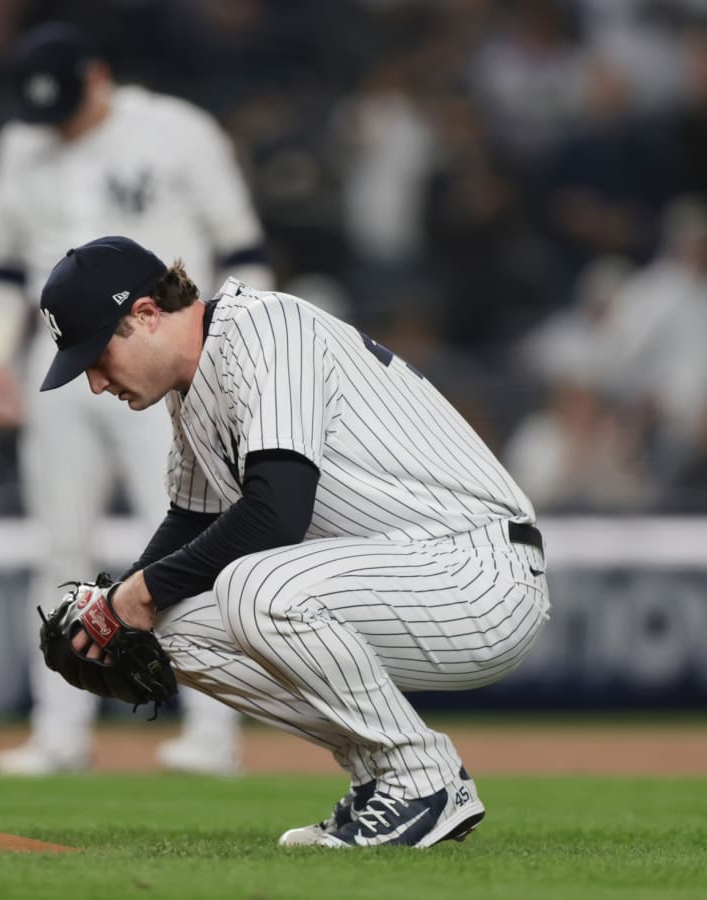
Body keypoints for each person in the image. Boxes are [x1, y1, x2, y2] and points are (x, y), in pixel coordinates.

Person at [35, 235, 550, 848]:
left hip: (479, 571)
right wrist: (117, 606)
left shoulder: (265, 329)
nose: (95, 383)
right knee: (171, 625)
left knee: (253, 586)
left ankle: (425, 780)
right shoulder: (192, 390)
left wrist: (137, 594)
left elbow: (276, 514)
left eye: (97, 355)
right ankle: (382, 778)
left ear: (145, 313)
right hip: (403, 573)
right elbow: (192, 523)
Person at [0, 22, 273, 776]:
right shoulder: (22, 144)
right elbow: (5, 264)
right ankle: (60, 731)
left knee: (188, 540)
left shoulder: (177, 131)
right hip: (63, 364)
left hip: (165, 363)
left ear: (98, 77)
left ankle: (213, 731)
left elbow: (242, 248)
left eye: (70, 103)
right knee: (60, 546)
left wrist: (242, 358)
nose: (58, 121)